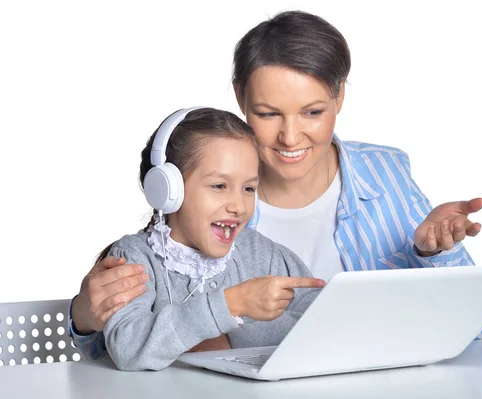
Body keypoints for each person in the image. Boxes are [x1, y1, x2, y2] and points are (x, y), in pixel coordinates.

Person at [69, 10, 482, 360]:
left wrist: (438, 254)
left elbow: (477, 329)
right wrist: (85, 317)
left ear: (339, 97)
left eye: (312, 112)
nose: (291, 138)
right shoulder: (205, 175)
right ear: (240, 99)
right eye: (269, 114)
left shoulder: (385, 174)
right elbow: (118, 349)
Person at [97, 106, 324, 371]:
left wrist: (230, 338)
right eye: (219, 186)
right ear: (169, 190)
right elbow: (129, 348)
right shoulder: (134, 259)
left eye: (248, 188)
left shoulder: (262, 253)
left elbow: (326, 324)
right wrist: (231, 304)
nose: (238, 205)